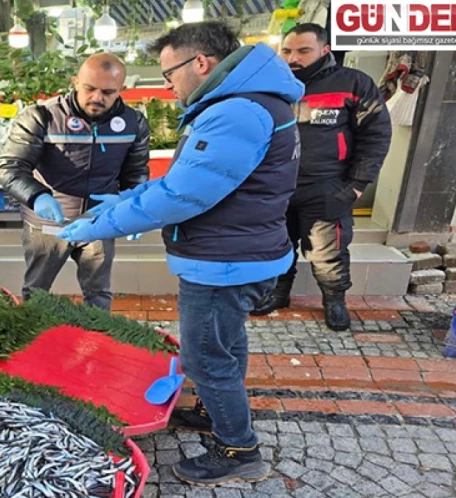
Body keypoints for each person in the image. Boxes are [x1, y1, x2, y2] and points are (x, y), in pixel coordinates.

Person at [58, 22, 304, 485]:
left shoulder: (236, 112)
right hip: (240, 250)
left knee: (205, 357)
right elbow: (188, 180)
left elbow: (185, 197)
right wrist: (128, 201)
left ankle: (238, 451)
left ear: (200, 64)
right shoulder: (249, 103)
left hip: (224, 261)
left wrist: (101, 223)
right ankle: (218, 413)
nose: (168, 85)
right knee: (225, 346)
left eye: (169, 73)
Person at [251, 23, 392, 330]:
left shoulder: (354, 82)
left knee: (328, 253)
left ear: (324, 50)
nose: (293, 58)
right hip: (277, 187)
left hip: (328, 187)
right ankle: (278, 293)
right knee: (276, 246)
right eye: (287, 50)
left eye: (303, 50)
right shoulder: (270, 85)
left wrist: (357, 186)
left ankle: (334, 301)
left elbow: (376, 135)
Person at [0, 53, 151, 311]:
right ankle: (33, 339)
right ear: (75, 81)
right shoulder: (41, 117)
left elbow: (135, 172)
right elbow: (11, 166)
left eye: (108, 92)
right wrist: (37, 196)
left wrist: (134, 210)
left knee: (99, 292)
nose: (97, 98)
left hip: (99, 221)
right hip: (48, 224)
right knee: (36, 290)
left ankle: (97, 340)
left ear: (122, 89)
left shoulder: (133, 123)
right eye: (90, 88)